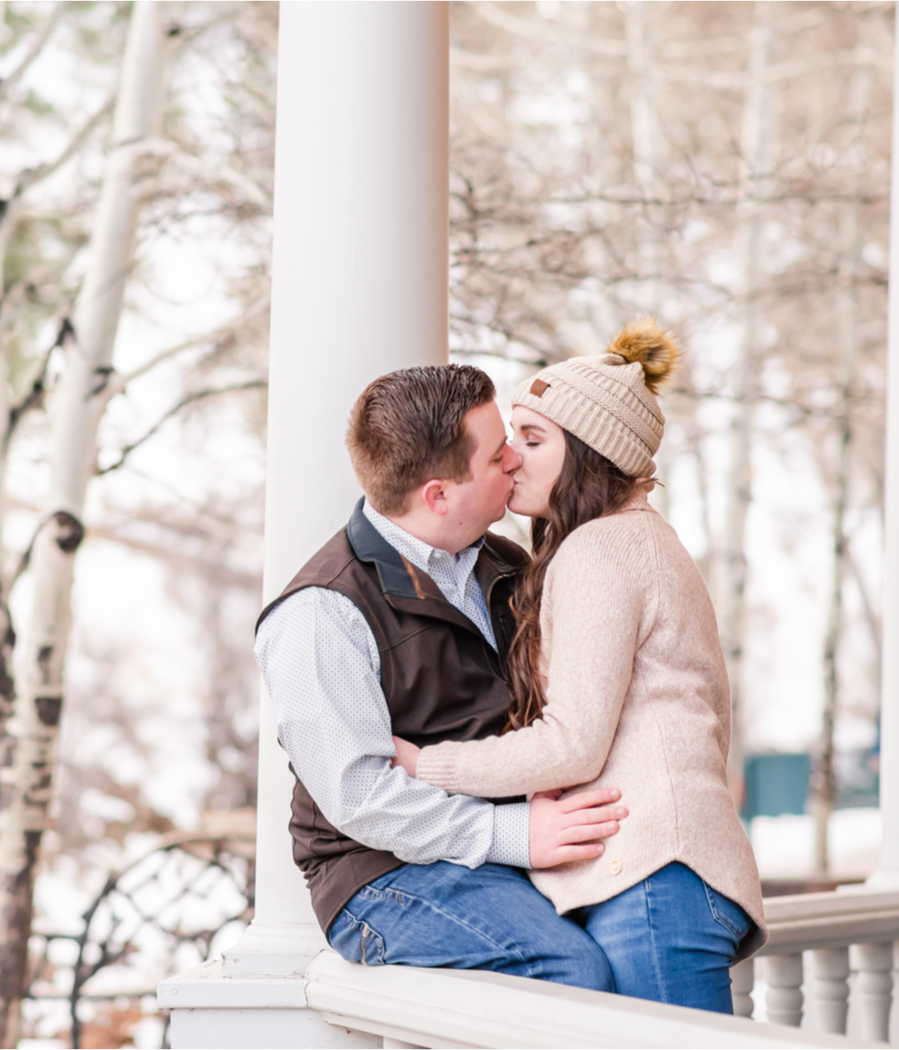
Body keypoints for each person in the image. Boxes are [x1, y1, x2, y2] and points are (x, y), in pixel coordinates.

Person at [393, 320, 765, 1013]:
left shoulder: (601, 549)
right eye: (511, 438)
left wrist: (425, 767)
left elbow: (572, 744)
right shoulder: (634, 540)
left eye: (534, 441)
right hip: (657, 876)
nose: (510, 458)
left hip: (653, 876)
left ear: (590, 455)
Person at [255, 364, 627, 990]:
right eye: (496, 454)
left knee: (642, 936)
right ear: (438, 495)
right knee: (572, 968)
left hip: (510, 843)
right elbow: (363, 802)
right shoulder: (321, 613)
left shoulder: (509, 563)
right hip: (382, 872)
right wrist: (515, 833)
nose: (515, 459)